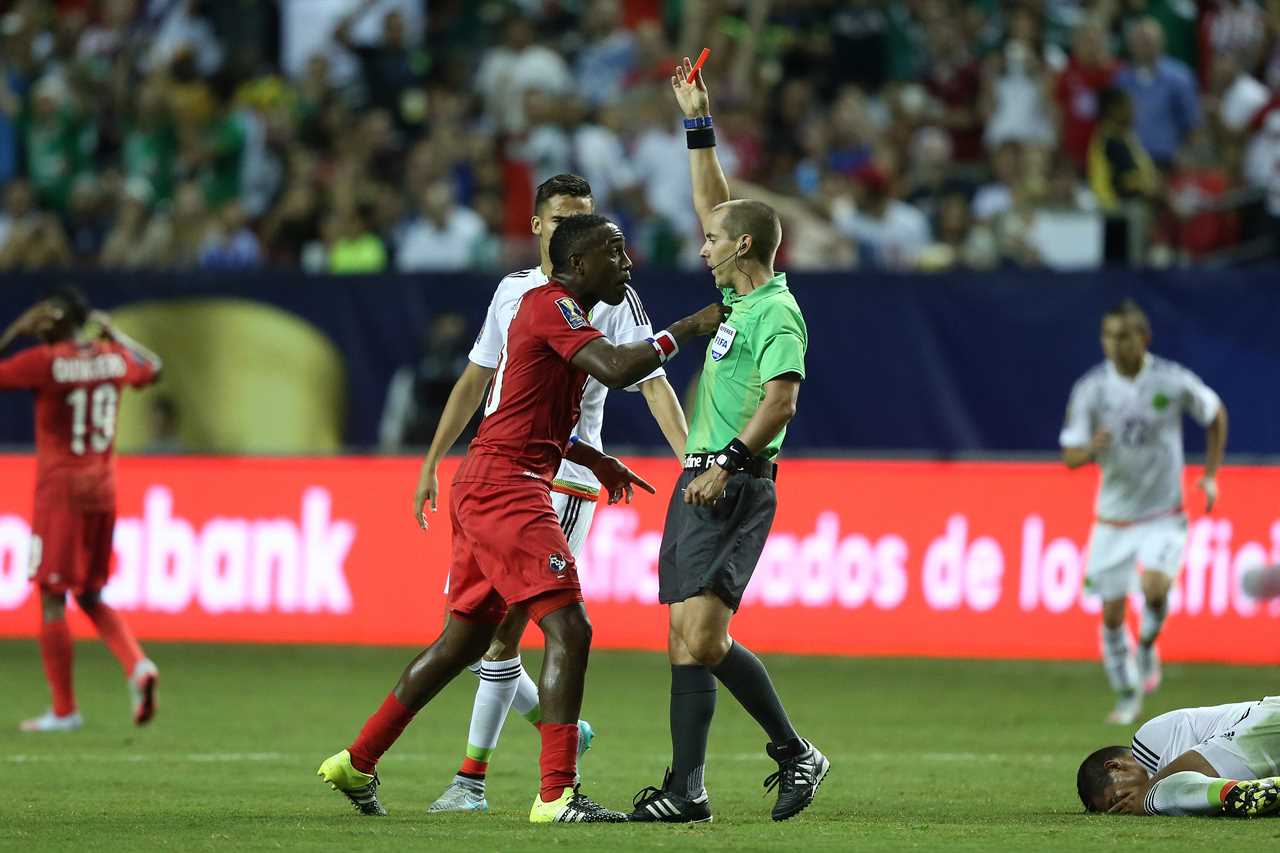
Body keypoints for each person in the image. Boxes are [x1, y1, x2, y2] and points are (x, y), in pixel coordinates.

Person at [317, 214, 726, 823]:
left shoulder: (552, 313)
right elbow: (617, 369)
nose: (628, 263)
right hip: (510, 490)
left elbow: (524, 414)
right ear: (579, 263)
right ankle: (557, 794)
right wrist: (687, 329)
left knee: (461, 642)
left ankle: (356, 761)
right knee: (571, 629)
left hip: (491, 477)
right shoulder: (553, 306)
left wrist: (597, 459)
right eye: (614, 253)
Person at [417, 174, 689, 814]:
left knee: (503, 634)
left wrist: (691, 460)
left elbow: (650, 382)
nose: (581, 228)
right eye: (567, 216)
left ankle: (471, 781)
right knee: (486, 633)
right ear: (540, 227)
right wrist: (434, 458)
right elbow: (478, 379)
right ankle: (543, 739)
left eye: (587, 217)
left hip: (562, 478)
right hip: (502, 471)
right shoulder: (513, 292)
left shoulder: (616, 294)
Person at [627, 56, 828, 826]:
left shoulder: (777, 312)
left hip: (736, 481)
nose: (702, 243)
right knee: (684, 637)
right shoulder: (737, 298)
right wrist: (696, 121)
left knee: (705, 636)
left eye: (714, 241)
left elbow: (781, 402)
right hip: (699, 478)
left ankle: (794, 750)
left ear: (743, 249)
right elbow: (719, 202)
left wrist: (731, 462)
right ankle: (687, 788)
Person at [0, 288, 163, 732]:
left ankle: (64, 710)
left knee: (52, 597)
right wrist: (118, 334)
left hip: (61, 493)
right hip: (103, 490)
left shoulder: (46, 361)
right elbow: (155, 369)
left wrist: (16, 331)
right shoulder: (113, 355)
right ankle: (138, 666)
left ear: (53, 317)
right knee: (89, 594)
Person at [1060, 299, 1227, 725]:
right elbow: (1070, 455)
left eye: (1123, 336)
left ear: (1143, 339)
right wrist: (1089, 450)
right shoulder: (1091, 389)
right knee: (1112, 615)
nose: (1114, 344)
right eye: (1108, 336)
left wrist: (1210, 475)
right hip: (1112, 519)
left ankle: (1149, 644)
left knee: (1154, 588)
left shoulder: (1170, 380)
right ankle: (1127, 694)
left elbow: (1215, 413)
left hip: (1162, 514)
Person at [1076, 696, 1280, 817]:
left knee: (1157, 794)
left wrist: (1143, 796)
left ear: (1114, 766)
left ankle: (1239, 792)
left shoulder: (1147, 739)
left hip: (1266, 722)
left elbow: (1193, 767)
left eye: (1118, 800)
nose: (1125, 807)